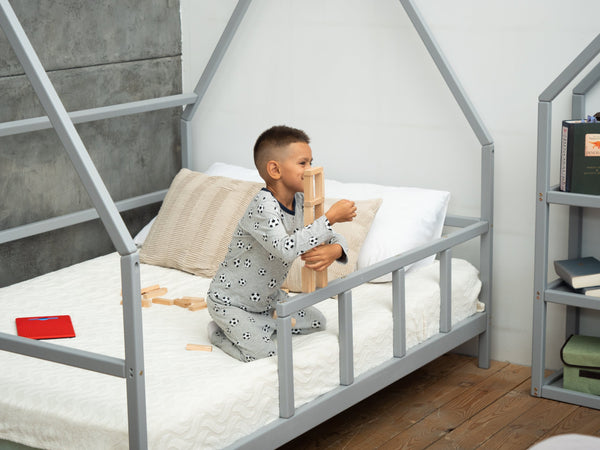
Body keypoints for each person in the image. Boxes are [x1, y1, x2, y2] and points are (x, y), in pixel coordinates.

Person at [206, 125, 357, 362]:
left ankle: (261, 324)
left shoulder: (302, 201)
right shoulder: (263, 206)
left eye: (311, 162)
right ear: (275, 170)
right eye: (303, 163)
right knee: (264, 355)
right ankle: (219, 332)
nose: (310, 169)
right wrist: (330, 218)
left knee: (317, 322)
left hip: (267, 299)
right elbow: (286, 249)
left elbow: (322, 233)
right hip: (232, 302)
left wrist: (336, 248)